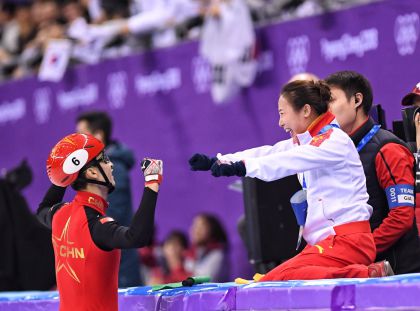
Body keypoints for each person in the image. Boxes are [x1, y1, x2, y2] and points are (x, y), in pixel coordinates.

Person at [189, 80, 392, 281]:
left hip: (348, 242)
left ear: (305, 111)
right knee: (272, 281)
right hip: (328, 243)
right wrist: (218, 161)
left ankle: (367, 274)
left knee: (276, 280)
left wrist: (241, 167)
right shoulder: (309, 141)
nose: (280, 122)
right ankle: (367, 273)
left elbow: (284, 161)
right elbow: (267, 152)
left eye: (282, 113)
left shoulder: (333, 140)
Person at [37, 133, 162, 311]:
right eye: (104, 159)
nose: (111, 165)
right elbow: (136, 237)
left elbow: (43, 209)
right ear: (92, 172)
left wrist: (64, 175)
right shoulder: (97, 225)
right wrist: (152, 182)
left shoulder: (59, 214)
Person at [325, 71, 420, 275]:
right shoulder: (338, 152)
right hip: (362, 267)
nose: (326, 110)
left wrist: (360, 250)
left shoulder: (388, 149)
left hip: (399, 273)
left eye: (331, 100)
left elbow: (401, 217)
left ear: (357, 100)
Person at [76, 111, 142, 287]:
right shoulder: (94, 169)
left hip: (119, 270)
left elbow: (111, 221)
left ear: (98, 136)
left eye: (82, 136)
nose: (77, 144)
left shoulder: (113, 170)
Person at [184, 213, 230, 282]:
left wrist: (178, 267)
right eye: (195, 226)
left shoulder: (218, 254)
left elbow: (205, 281)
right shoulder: (191, 253)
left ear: (212, 230)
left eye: (201, 227)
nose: (196, 230)